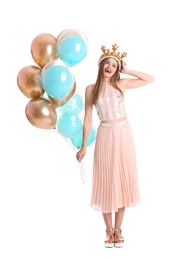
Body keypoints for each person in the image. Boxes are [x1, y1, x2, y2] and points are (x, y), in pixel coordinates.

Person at [76, 44, 154, 248]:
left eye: (114, 65)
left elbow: (149, 79)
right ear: (101, 65)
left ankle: (118, 231)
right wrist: (83, 146)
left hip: (123, 133)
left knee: (121, 179)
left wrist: (127, 70)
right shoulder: (91, 89)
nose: (110, 66)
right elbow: (87, 119)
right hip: (104, 134)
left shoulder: (121, 83)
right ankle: (108, 231)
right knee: (106, 179)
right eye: (107, 63)